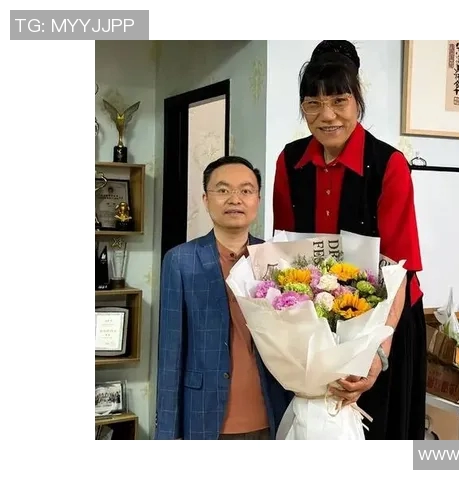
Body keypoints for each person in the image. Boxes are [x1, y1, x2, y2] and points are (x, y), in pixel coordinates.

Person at [272, 40, 427, 440]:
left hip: (385, 327)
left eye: (339, 101)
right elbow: (285, 259)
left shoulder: (389, 165)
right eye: (313, 104)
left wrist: (376, 356)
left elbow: (399, 270)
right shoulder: (290, 162)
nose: (327, 116)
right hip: (318, 328)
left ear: (358, 101)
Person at [155, 155, 292, 440]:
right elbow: (170, 354)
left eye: (246, 190)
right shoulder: (181, 261)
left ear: (258, 199)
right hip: (204, 417)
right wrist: (166, 435)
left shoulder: (276, 258)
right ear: (206, 199)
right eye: (223, 190)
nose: (235, 199)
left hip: (271, 413)